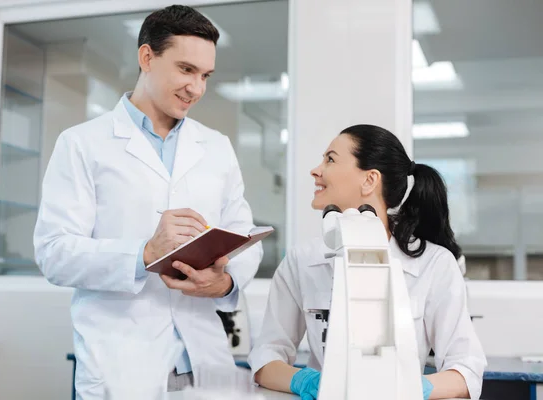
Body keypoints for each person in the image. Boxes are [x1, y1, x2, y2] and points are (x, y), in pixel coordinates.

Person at [33, 5, 262, 398]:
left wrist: (223, 281)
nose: (197, 88)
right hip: (122, 363)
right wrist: (143, 253)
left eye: (205, 75)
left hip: (204, 359)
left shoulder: (216, 148)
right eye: (186, 70)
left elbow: (241, 236)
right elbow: (54, 252)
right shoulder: (83, 144)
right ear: (147, 57)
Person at [248, 124, 486, 400]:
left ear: (370, 180)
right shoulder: (303, 260)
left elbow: (467, 370)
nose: (316, 170)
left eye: (331, 159)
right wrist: (307, 381)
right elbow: (265, 359)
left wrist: (411, 388)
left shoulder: (434, 264)